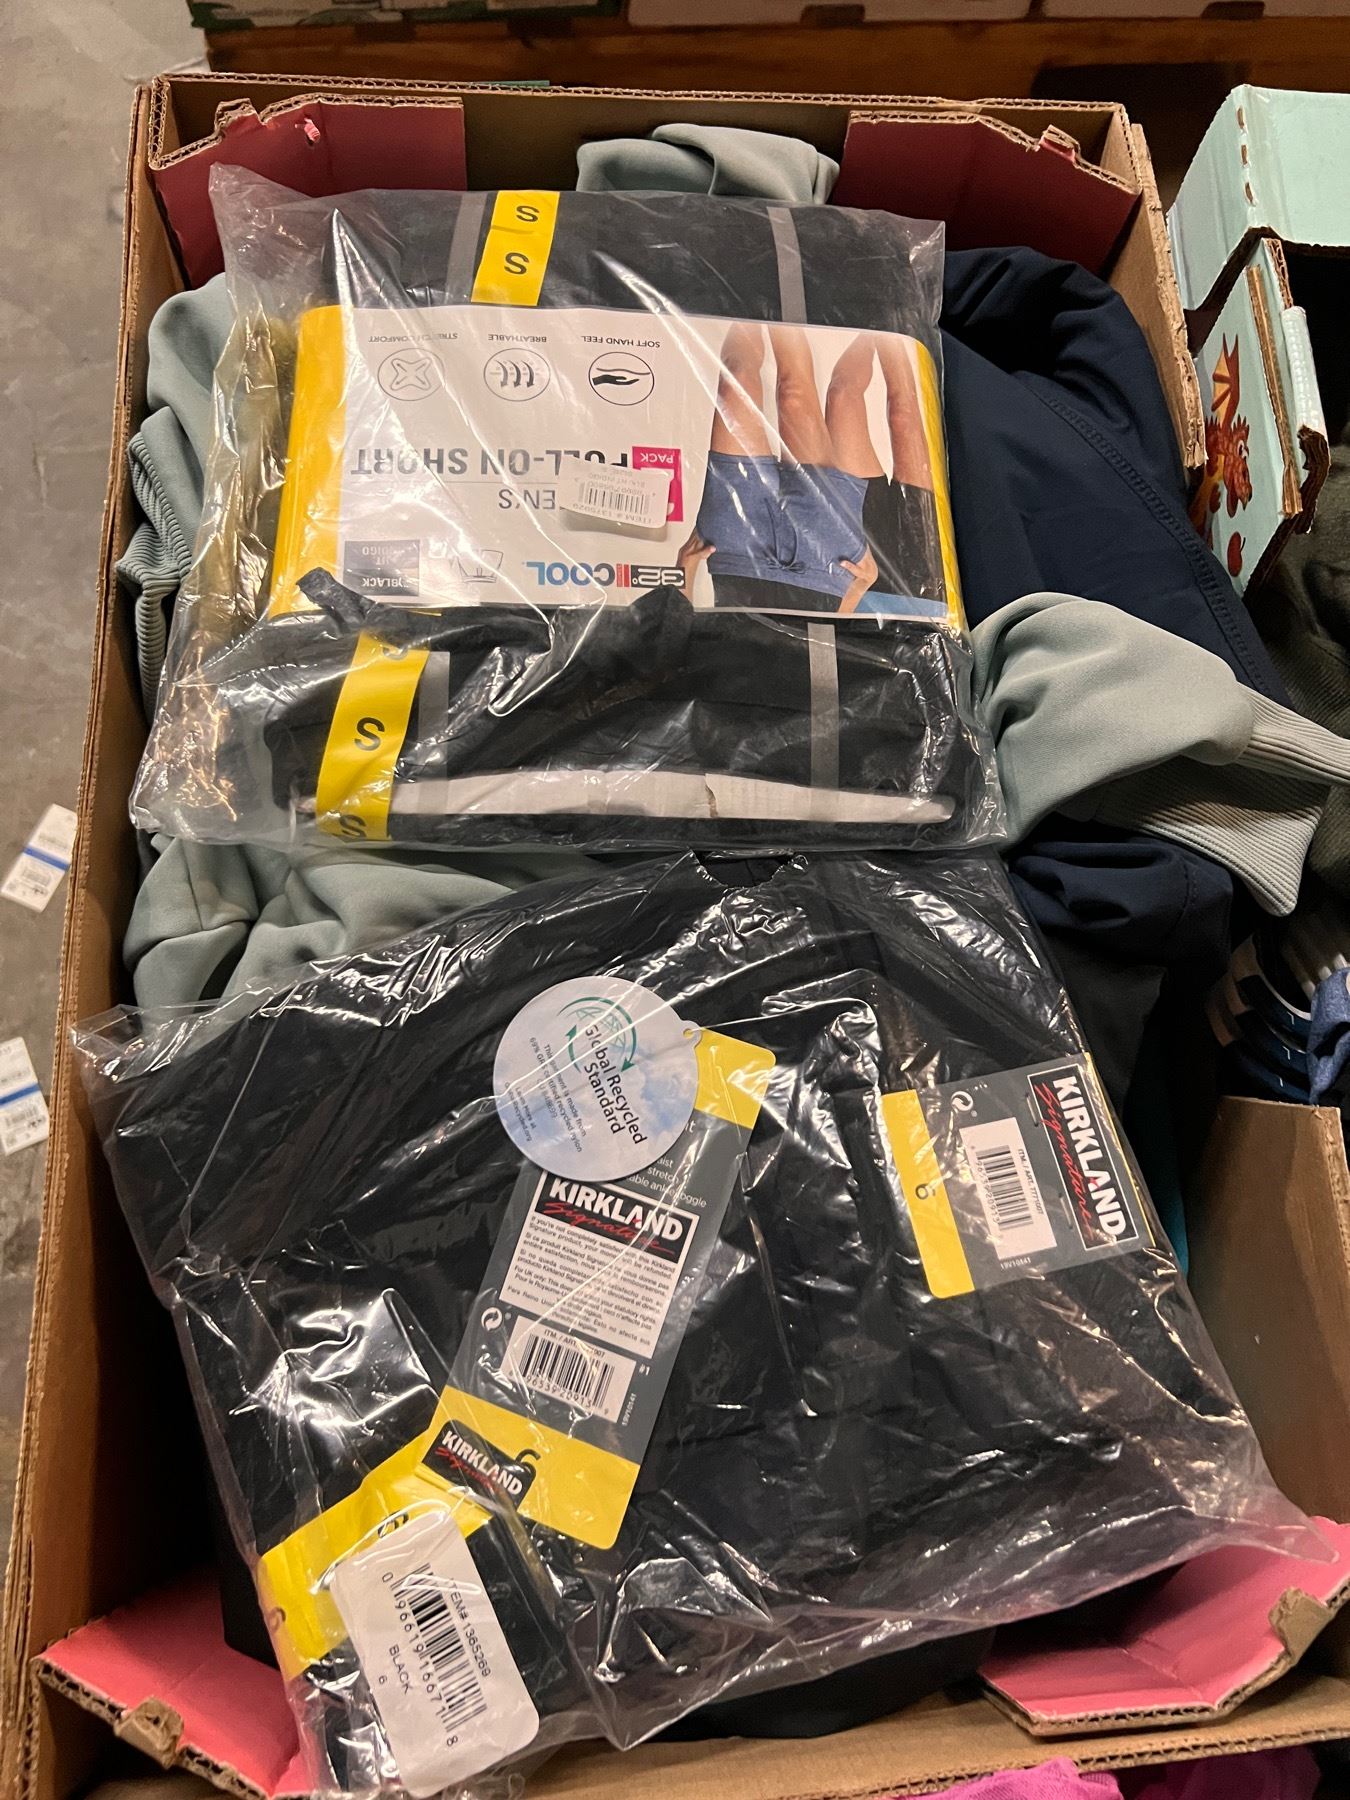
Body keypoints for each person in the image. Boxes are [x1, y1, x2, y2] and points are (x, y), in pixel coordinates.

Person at [680, 323, 880, 613]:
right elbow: (833, 634)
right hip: (821, 567)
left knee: (737, 377)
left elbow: (674, 633)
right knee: (793, 395)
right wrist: (861, 585)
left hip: (735, 555)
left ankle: (747, 305)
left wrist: (683, 565)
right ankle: (784, 307)